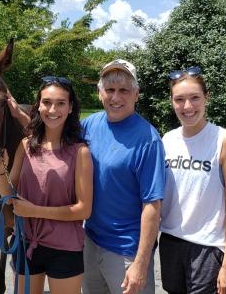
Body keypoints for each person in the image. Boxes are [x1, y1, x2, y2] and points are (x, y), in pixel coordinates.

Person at [0, 76, 93, 294]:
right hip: (25, 242)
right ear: (38, 105)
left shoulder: (80, 152)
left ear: (70, 108)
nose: (52, 109)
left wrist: (34, 211)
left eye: (60, 103)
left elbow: (83, 209)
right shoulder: (26, 145)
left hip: (65, 248)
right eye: (47, 102)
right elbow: (9, 197)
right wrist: (0, 169)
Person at [81, 59, 165, 294]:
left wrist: (140, 263)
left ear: (136, 94)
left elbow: (152, 206)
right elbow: (53, 140)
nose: (115, 97)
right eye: (109, 90)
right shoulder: (89, 125)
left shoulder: (148, 139)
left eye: (123, 90)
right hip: (91, 241)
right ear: (100, 93)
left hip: (126, 251)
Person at [160, 67, 226, 294]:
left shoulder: (225, 141)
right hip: (171, 241)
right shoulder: (167, 140)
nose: (187, 107)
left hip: (207, 247)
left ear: (206, 97)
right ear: (172, 101)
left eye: (195, 98)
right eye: (179, 99)